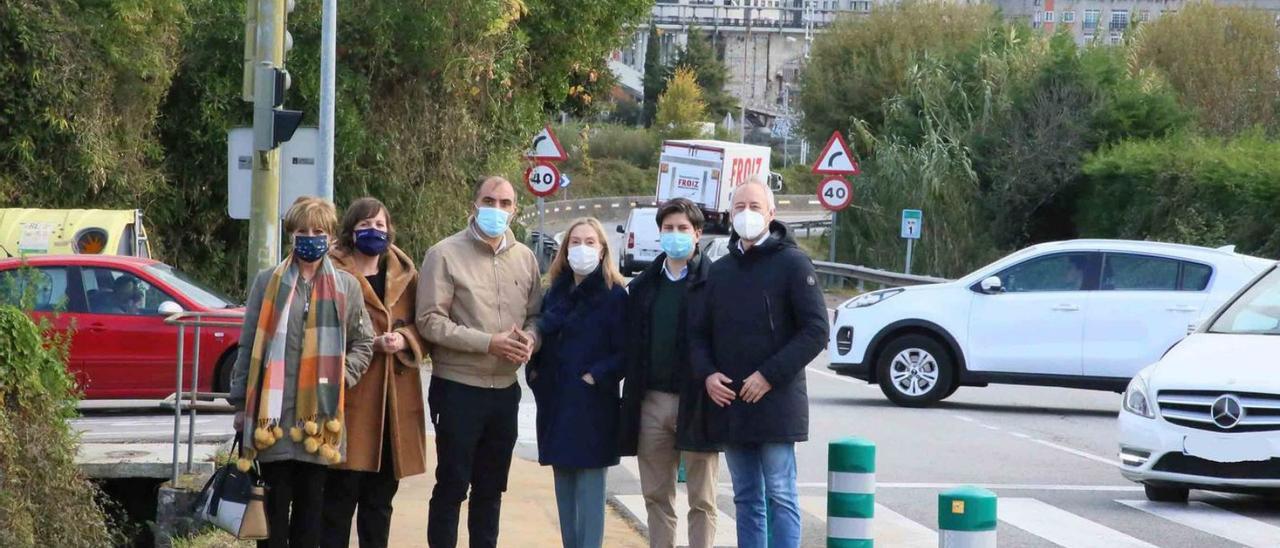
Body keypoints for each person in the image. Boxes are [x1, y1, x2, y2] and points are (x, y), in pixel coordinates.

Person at [229, 196, 375, 548]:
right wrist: (238, 403)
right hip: (272, 420)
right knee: (273, 518)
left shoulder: (347, 287)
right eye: (302, 230)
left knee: (311, 518)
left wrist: (342, 377)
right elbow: (248, 344)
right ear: (291, 234)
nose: (310, 237)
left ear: (330, 237)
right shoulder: (268, 282)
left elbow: (364, 343)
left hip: (319, 420)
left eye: (318, 231)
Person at [690, 181, 829, 548]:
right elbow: (698, 335)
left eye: (754, 205)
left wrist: (768, 375)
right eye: (739, 206)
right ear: (729, 214)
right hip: (732, 404)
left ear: (771, 213)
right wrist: (708, 375)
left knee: (781, 493)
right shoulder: (719, 271)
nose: (746, 213)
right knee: (745, 497)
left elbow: (816, 330)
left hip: (777, 404)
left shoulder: (793, 263)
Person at [416, 176, 543, 548]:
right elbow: (429, 321)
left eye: (505, 203)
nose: (497, 209)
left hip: (504, 392)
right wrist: (488, 343)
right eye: (490, 200)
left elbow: (536, 315)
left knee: (491, 490)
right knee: (452, 486)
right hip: (458, 388)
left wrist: (531, 340)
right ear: (474, 205)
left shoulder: (525, 258)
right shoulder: (443, 254)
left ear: (515, 210)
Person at [322, 198, 429, 548]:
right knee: (339, 501)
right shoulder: (331, 272)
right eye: (366, 226)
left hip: (393, 405)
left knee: (380, 502)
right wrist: (367, 343)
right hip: (350, 400)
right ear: (351, 230)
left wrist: (404, 338)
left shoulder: (406, 273)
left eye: (380, 226)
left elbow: (423, 326)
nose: (374, 232)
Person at [618, 199, 721, 548]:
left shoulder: (714, 283)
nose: (675, 235)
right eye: (668, 229)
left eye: (683, 229)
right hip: (651, 401)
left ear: (698, 234)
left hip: (698, 401)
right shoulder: (644, 286)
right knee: (656, 496)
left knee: (702, 499)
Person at [527, 218, 627, 548]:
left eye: (589, 242)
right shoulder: (555, 293)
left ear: (602, 251)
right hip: (557, 402)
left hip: (593, 404)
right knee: (564, 486)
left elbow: (626, 352)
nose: (581, 248)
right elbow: (542, 339)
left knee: (590, 488)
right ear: (565, 249)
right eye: (574, 242)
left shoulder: (615, 296)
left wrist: (594, 376)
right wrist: (537, 375)